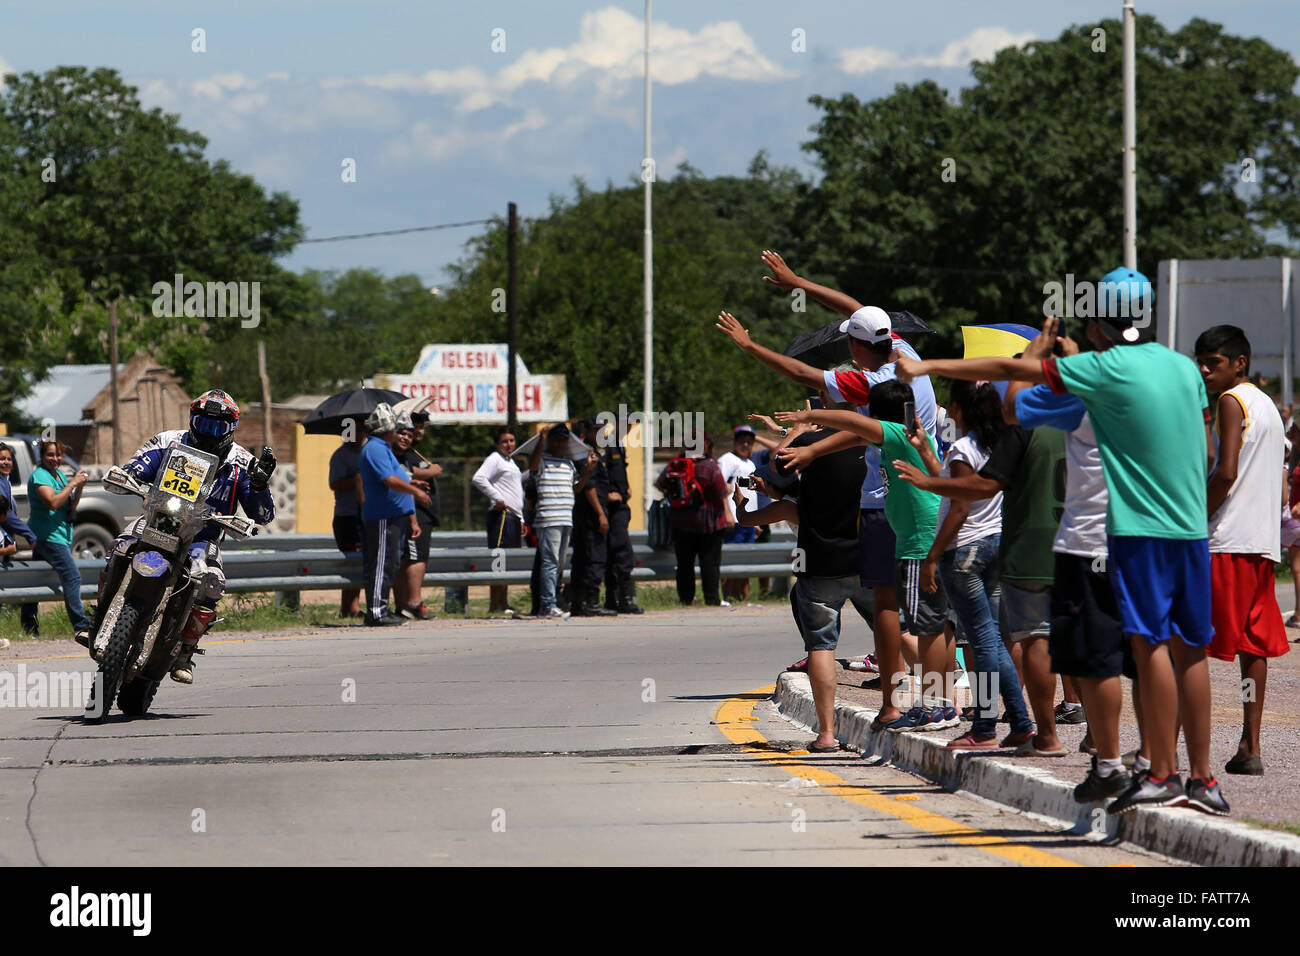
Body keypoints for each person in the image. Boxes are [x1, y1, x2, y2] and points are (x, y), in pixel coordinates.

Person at [895, 272, 1228, 816]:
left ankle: (1160, 773)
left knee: (1148, 650)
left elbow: (1009, 376)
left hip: (1138, 529)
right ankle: (1203, 778)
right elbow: (1208, 450)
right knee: (1190, 649)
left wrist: (927, 366)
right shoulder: (1183, 369)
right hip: (1191, 529)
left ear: (1098, 322)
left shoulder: (1099, 370)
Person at [719, 256, 939, 729]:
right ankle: (937, 699)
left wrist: (748, 345)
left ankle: (898, 704)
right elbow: (858, 308)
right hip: (926, 493)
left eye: (849, 342)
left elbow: (804, 378)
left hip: (888, 502)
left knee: (888, 609)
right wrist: (798, 283)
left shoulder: (871, 380)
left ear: (858, 347)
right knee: (923, 611)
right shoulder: (907, 358)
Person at [777, 379, 957, 733]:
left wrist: (809, 416)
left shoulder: (895, 433)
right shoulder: (902, 435)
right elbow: (857, 435)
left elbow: (856, 427)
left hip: (920, 544)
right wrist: (814, 445)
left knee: (929, 627)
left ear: (874, 414)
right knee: (929, 626)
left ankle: (940, 705)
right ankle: (940, 703)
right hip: (918, 540)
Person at [1009, 371, 1146, 801]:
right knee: (1120, 652)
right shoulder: (1127, 411)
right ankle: (1123, 747)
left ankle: (1071, 744)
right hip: (1120, 540)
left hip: (1059, 543)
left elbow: (1013, 409)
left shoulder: (1041, 419)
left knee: (1062, 646)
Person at [101, 389, 276, 682]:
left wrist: (259, 486)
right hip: (156, 522)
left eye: (217, 427)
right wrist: (128, 476)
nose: (209, 432)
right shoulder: (168, 441)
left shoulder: (243, 462)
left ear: (230, 429)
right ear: (193, 420)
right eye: (204, 423)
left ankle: (187, 650)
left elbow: (264, 516)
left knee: (212, 581)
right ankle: (101, 611)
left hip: (202, 537)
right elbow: (137, 468)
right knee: (119, 546)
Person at [913, 382, 1034, 750]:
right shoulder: (994, 447)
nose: (947, 410)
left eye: (950, 404)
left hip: (964, 553)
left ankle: (988, 727)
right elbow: (952, 487)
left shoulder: (964, 449)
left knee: (982, 644)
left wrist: (932, 556)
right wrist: (925, 451)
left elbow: (960, 506)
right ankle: (1016, 720)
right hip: (993, 546)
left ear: (961, 409)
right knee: (992, 640)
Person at [1196, 325, 1289, 776]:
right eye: (1201, 361)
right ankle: (1250, 744)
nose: (1204, 370)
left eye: (1212, 362)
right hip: (1261, 546)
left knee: (1185, 645)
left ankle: (1161, 749)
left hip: (1225, 543)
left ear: (1239, 363)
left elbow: (1226, 472)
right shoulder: (1269, 406)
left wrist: (1195, 516)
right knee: (1254, 651)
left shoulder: (1231, 402)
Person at [759, 412, 870, 751]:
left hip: (820, 560)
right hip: (869, 555)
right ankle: (914, 707)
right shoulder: (875, 439)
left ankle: (826, 734)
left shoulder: (809, 443)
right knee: (898, 630)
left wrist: (796, 431)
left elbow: (776, 468)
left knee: (821, 646)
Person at [359, 403, 430, 627]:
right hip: (382, 516)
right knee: (381, 564)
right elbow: (389, 481)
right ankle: (377, 612)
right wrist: (415, 491)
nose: (398, 432)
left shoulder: (384, 448)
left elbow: (397, 477)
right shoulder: (376, 448)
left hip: (392, 517)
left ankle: (382, 608)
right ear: (387, 428)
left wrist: (412, 488)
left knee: (390, 564)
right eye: (395, 428)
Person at [529, 424, 598, 619]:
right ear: (550, 441)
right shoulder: (542, 460)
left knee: (558, 564)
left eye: (563, 440)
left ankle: (551, 601)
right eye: (556, 439)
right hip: (548, 518)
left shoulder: (569, 464)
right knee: (550, 563)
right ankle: (547, 605)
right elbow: (532, 467)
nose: (559, 443)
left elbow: (577, 488)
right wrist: (541, 439)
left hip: (565, 517)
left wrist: (588, 470)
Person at [26, 439, 91, 644]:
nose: (55, 459)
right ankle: (81, 626)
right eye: (50, 455)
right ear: (42, 457)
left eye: (58, 455)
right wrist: (72, 483)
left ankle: (28, 628)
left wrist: (79, 488)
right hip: (48, 536)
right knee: (72, 576)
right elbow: (53, 503)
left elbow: (69, 504)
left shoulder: (59, 475)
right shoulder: (40, 476)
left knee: (34, 581)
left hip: (60, 535)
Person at [655, 434, 728, 606]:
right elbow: (722, 491)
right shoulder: (710, 466)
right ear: (706, 444)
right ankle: (712, 599)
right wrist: (728, 515)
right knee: (710, 563)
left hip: (680, 523)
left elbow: (660, 483)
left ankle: (686, 599)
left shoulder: (676, 463)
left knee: (684, 565)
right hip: (708, 523)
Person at [394, 412, 442, 620]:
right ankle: (412, 603)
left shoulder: (412, 451)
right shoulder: (398, 453)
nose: (418, 431)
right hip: (414, 513)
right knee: (415, 557)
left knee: (415, 557)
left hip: (421, 514)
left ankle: (407, 603)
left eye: (421, 427)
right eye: (416, 426)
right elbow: (402, 473)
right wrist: (430, 472)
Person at [473, 426, 525, 614]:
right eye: (504, 441)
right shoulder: (495, 459)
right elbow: (478, 478)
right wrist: (497, 498)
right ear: (497, 444)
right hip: (501, 516)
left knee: (508, 560)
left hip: (513, 517)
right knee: (499, 559)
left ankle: (503, 602)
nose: (509, 444)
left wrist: (521, 518)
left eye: (511, 440)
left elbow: (516, 490)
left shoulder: (511, 462)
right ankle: (495, 604)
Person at [570, 418, 617, 617]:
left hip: (587, 513)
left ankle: (579, 602)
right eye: (597, 430)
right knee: (594, 558)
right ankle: (591, 602)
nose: (601, 434)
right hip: (590, 515)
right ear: (587, 431)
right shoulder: (587, 455)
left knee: (584, 558)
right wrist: (600, 514)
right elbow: (589, 487)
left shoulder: (593, 453)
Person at [599, 426, 643, 614]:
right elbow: (601, 474)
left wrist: (627, 488)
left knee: (616, 553)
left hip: (622, 507)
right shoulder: (607, 444)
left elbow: (619, 473)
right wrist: (608, 494)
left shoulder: (619, 445)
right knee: (622, 552)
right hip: (612, 508)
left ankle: (615, 598)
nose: (627, 427)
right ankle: (622, 598)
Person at [328, 429, 367, 618]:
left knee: (360, 562)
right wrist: (357, 480)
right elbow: (334, 483)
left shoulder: (365, 452)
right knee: (352, 561)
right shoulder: (341, 455)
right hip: (347, 516)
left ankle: (353, 607)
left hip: (364, 515)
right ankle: (347, 609)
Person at [718, 425, 758, 602]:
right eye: (742, 441)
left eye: (749, 442)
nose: (745, 445)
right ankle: (728, 596)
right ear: (734, 442)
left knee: (746, 562)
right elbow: (719, 489)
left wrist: (757, 520)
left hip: (748, 520)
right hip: (734, 520)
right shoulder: (727, 460)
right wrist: (726, 513)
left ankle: (742, 598)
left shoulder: (750, 463)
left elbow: (751, 493)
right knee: (731, 562)